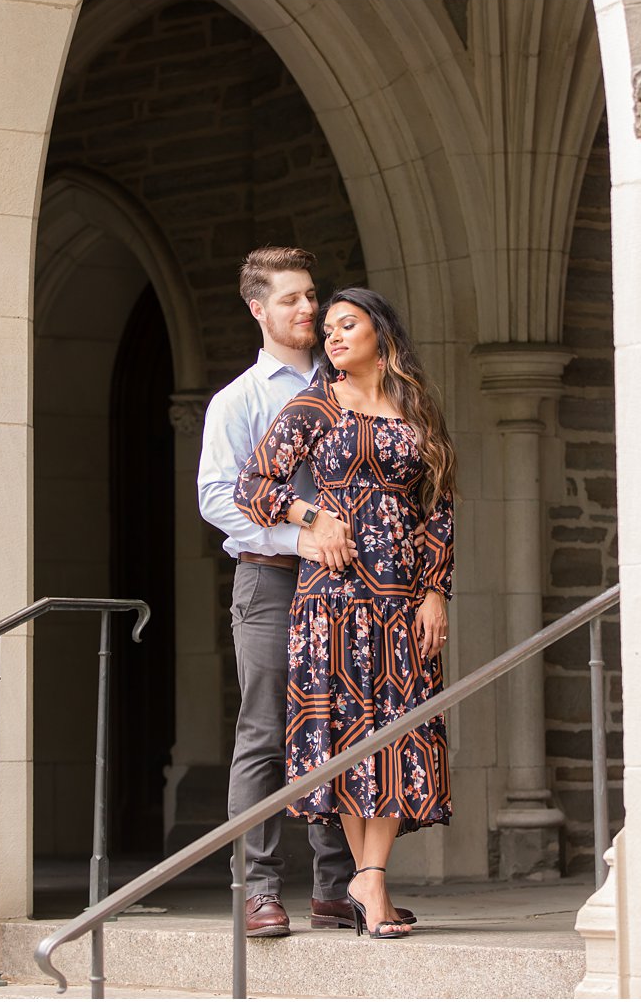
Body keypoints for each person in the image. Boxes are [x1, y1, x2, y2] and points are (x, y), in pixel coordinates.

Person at [234, 286, 455, 939]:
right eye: (326, 329)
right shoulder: (315, 404)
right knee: (352, 735)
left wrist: (436, 588)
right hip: (333, 598)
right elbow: (254, 484)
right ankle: (372, 882)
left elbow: (439, 506)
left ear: (380, 335)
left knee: (396, 727)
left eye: (346, 325)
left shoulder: (417, 407)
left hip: (401, 594)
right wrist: (311, 516)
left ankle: (368, 878)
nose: (331, 337)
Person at [199, 247, 392, 938]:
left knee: (340, 723)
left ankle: (336, 886)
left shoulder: (353, 380)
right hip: (274, 580)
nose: (308, 310)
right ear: (258, 309)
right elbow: (219, 498)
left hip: (350, 586)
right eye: (290, 299)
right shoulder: (240, 401)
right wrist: (298, 537)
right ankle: (257, 889)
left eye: (312, 296)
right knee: (266, 731)